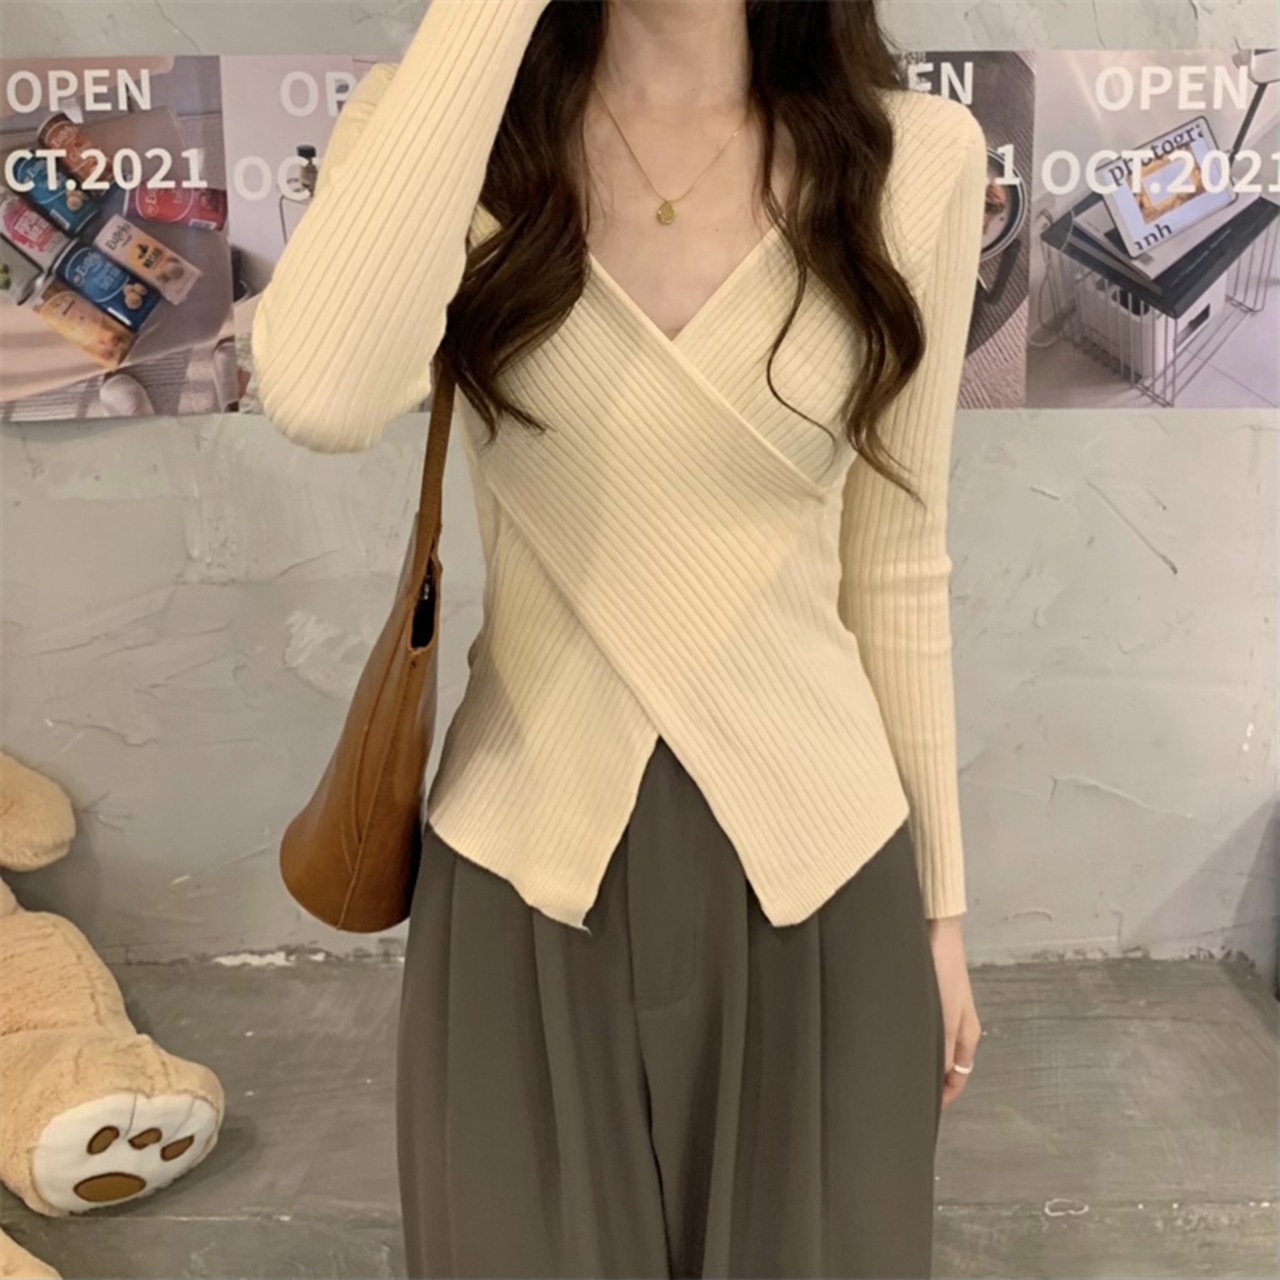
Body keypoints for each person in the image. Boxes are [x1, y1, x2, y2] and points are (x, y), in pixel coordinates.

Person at [251, 1, 985, 1275]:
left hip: (821, 875)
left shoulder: (914, 156)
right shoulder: (443, 134)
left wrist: (939, 913)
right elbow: (322, 393)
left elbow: (897, 559)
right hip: (525, 868)